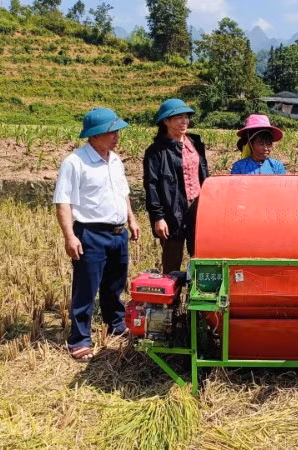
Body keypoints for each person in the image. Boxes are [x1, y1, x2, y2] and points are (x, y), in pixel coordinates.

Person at [53, 107, 141, 362]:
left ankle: (115, 323)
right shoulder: (75, 162)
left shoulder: (115, 160)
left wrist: (132, 219)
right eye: (111, 132)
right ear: (94, 135)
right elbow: (63, 202)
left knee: (115, 284)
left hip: (118, 233)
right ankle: (79, 339)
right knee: (86, 288)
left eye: (117, 131)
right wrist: (69, 236)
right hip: (90, 233)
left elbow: (123, 194)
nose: (117, 136)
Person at [143, 98, 208, 274]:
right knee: (172, 261)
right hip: (172, 210)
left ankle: (196, 290)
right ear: (166, 121)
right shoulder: (156, 151)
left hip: (198, 207)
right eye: (179, 117)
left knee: (200, 257)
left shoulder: (195, 143)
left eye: (186, 116)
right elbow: (151, 186)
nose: (184, 121)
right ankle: (172, 292)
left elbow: (204, 175)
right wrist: (158, 217)